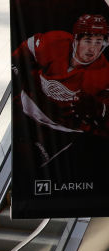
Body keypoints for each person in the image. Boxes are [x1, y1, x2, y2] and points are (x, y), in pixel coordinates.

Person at [12, 13, 109, 168]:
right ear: (76, 39)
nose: (93, 48)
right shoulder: (56, 41)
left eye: (99, 42)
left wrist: (100, 109)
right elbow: (25, 51)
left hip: (58, 131)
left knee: (26, 163)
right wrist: (16, 68)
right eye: (88, 40)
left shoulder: (104, 74)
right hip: (25, 106)